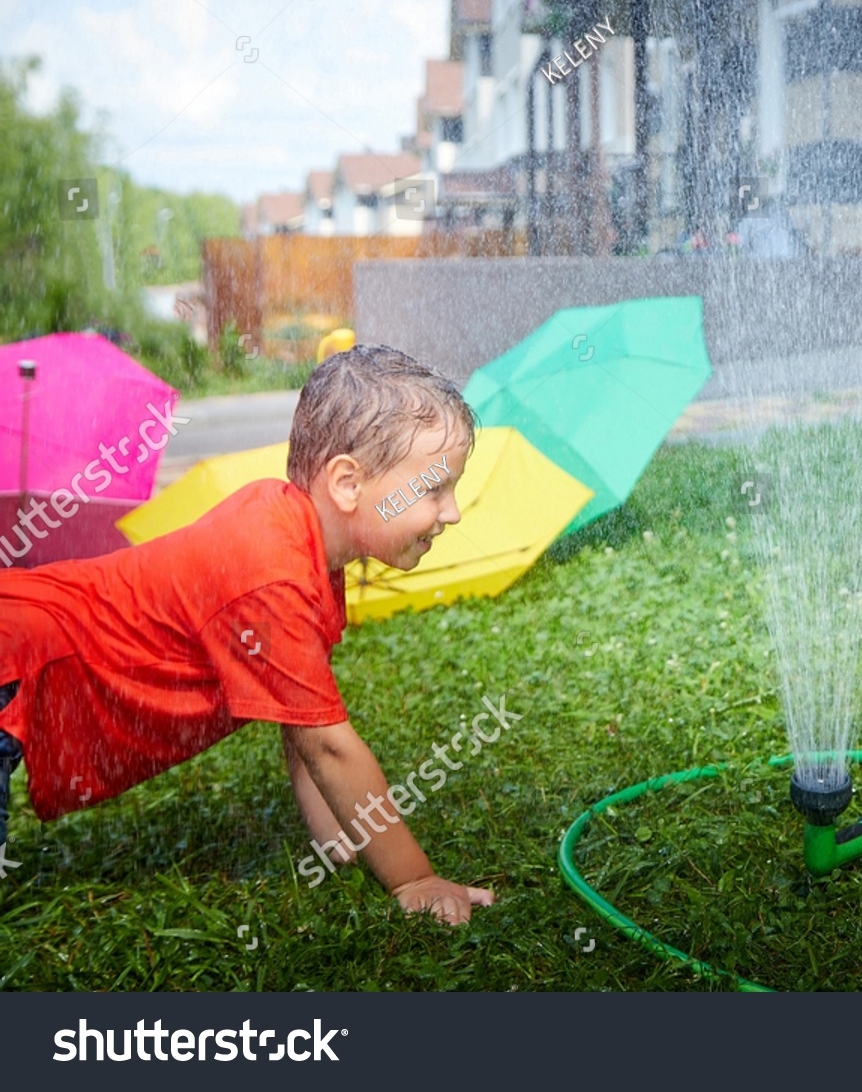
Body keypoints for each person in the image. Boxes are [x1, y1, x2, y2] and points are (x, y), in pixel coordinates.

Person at [0, 346, 495, 924]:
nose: (452, 511)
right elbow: (329, 746)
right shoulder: (273, 570)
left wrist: (337, 833)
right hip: (19, 656)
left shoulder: (292, 532)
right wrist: (414, 878)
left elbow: (301, 722)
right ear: (346, 482)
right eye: (435, 487)